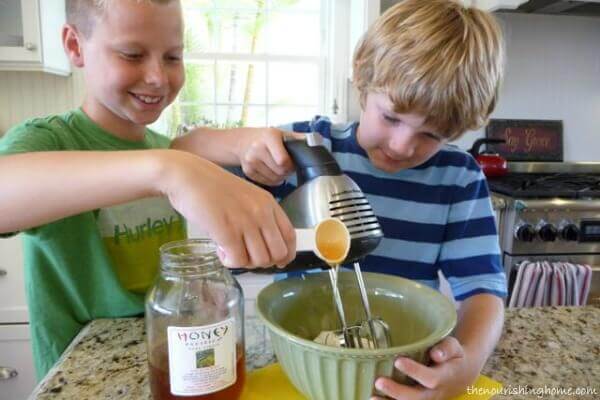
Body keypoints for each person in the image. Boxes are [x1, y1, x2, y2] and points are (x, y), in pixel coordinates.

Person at [175, 0, 508, 398]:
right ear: (361, 79)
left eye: (431, 136)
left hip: (399, 368)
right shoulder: (306, 150)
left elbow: (483, 289)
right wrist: (244, 144)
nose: (403, 146)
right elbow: (183, 150)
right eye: (391, 117)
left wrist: (466, 365)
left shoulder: (459, 179)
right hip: (303, 363)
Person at [0, 0, 297, 379]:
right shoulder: (48, 141)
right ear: (75, 46)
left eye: (173, 57)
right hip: (84, 377)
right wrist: (167, 169)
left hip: (166, 363)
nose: (158, 77)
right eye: (132, 54)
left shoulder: (163, 149)